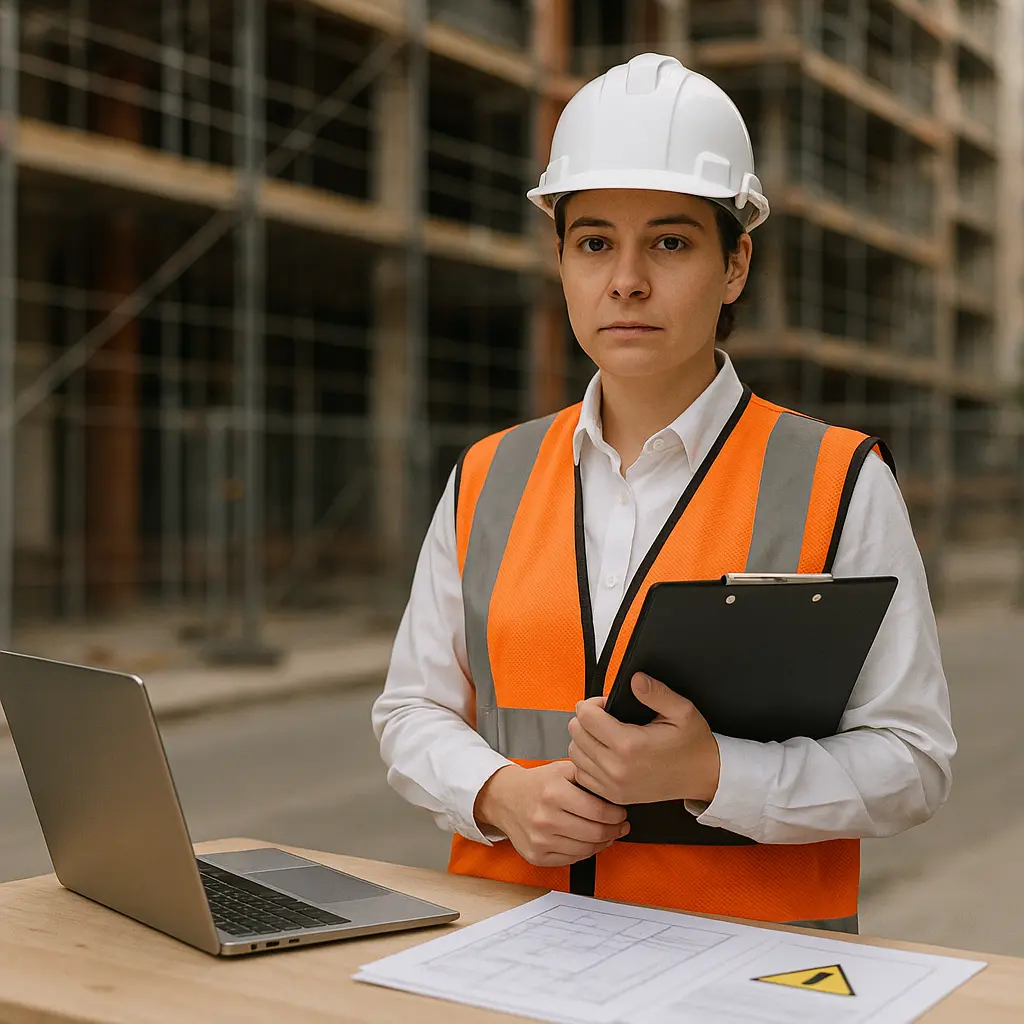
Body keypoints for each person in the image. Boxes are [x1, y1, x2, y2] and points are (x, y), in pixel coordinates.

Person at [371, 53, 954, 933]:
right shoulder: (487, 477)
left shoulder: (839, 481)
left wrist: (715, 774)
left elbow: (913, 762)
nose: (627, 279)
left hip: (746, 979)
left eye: (671, 242)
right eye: (595, 241)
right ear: (561, 260)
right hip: (508, 960)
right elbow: (412, 710)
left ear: (735, 266)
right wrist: (498, 792)